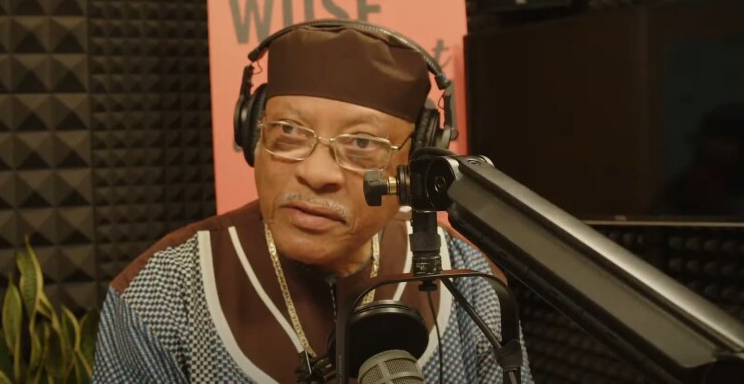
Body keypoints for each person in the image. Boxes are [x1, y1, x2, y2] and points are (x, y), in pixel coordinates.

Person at [91, 22, 534, 383]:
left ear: (414, 161)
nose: (317, 173)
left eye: (362, 142)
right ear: (252, 135)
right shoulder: (164, 291)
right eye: (288, 132)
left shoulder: (468, 282)